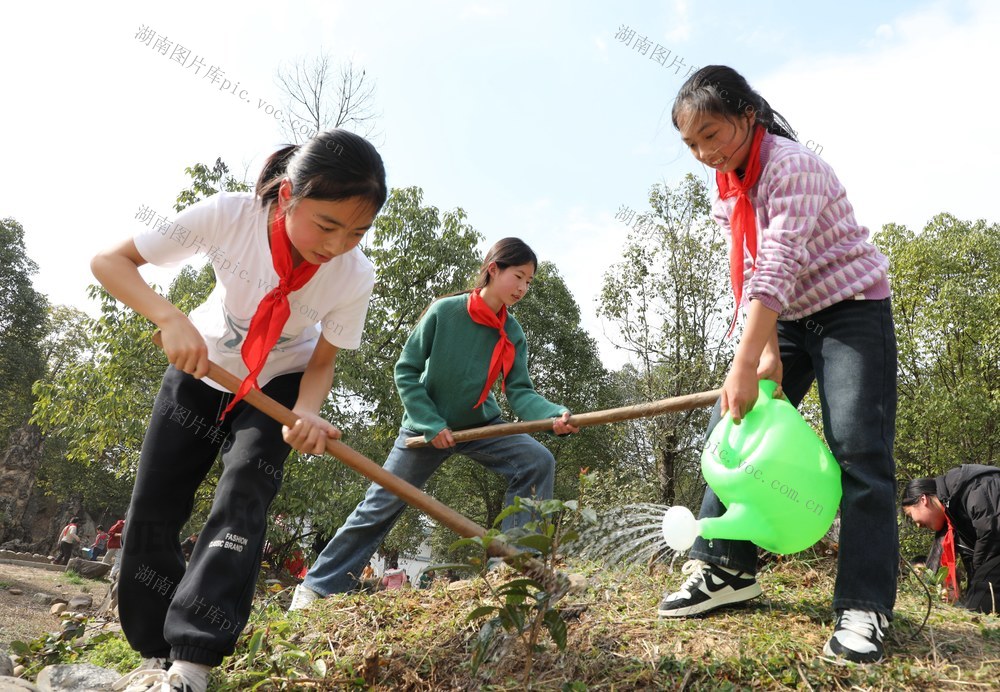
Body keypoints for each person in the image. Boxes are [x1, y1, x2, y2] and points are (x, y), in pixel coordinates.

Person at [91, 129, 386, 692]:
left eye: (358, 232)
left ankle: (194, 660)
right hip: (203, 361)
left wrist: (306, 413)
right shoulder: (230, 216)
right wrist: (169, 318)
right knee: (157, 498)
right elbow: (111, 262)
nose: (338, 244)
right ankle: (155, 653)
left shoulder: (354, 274)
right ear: (287, 194)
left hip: (280, 382)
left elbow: (322, 363)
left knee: (245, 493)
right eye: (327, 225)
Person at [656, 66, 898, 663]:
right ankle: (728, 570)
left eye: (712, 135)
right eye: (691, 144)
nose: (704, 154)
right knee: (733, 423)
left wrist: (742, 360)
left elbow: (779, 265)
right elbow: (749, 270)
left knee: (858, 448)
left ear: (747, 116)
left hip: (850, 309)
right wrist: (760, 353)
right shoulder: (733, 183)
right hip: (785, 314)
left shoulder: (792, 166)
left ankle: (864, 605)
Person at [290, 238, 579, 610]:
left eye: (529, 282)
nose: (523, 288)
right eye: (518, 276)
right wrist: (430, 423)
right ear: (493, 269)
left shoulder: (513, 333)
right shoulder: (445, 312)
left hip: (480, 425)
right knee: (380, 504)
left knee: (537, 462)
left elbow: (521, 393)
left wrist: (553, 414)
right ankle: (317, 587)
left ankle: (513, 572)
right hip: (424, 429)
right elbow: (406, 371)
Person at [901, 465, 1000, 614]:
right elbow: (973, 561)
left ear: (923, 499)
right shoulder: (954, 516)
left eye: (910, 515)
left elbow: (992, 533)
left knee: (977, 610)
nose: (917, 525)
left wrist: (978, 589)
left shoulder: (975, 486)